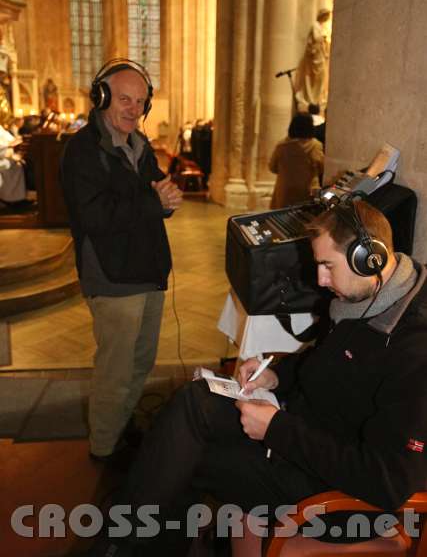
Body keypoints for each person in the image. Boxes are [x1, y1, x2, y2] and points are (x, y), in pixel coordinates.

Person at [86, 199, 427, 556]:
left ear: (366, 257)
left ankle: (120, 546)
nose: (321, 280)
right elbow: (328, 365)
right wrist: (275, 377)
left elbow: (388, 480)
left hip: (337, 496)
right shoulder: (360, 301)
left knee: (184, 459)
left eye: (327, 266)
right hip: (299, 438)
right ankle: (125, 544)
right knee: (195, 400)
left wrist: (276, 429)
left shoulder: (414, 348)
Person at [60, 58, 183, 462]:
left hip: (147, 270)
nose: (134, 109)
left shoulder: (139, 145)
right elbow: (96, 216)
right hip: (113, 276)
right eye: (124, 100)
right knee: (115, 371)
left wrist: (167, 201)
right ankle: (104, 451)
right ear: (101, 97)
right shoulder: (82, 150)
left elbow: (154, 191)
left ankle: (121, 424)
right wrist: (153, 202)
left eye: (140, 102)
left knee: (140, 362)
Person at [269, 113, 324, 208]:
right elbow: (321, 167)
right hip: (306, 193)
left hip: (284, 193)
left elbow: (272, 167)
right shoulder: (315, 146)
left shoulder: (282, 146)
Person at [294, 8, 331, 113]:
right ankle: (311, 99)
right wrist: (323, 36)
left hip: (321, 55)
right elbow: (315, 37)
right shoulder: (315, 25)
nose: (326, 19)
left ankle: (317, 99)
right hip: (316, 56)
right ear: (322, 16)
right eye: (326, 17)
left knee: (322, 77)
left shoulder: (322, 27)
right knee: (316, 77)